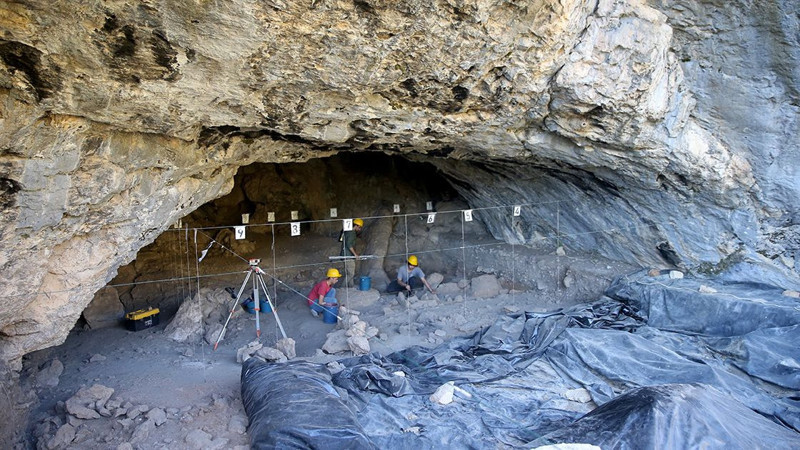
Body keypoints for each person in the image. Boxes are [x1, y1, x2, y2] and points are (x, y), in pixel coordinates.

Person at [340, 218, 364, 286]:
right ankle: (342, 287)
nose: (360, 229)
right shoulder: (352, 233)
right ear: (356, 226)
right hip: (348, 256)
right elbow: (349, 244)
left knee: (349, 273)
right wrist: (355, 254)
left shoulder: (348, 231)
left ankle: (351, 287)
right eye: (359, 227)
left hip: (346, 255)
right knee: (351, 274)